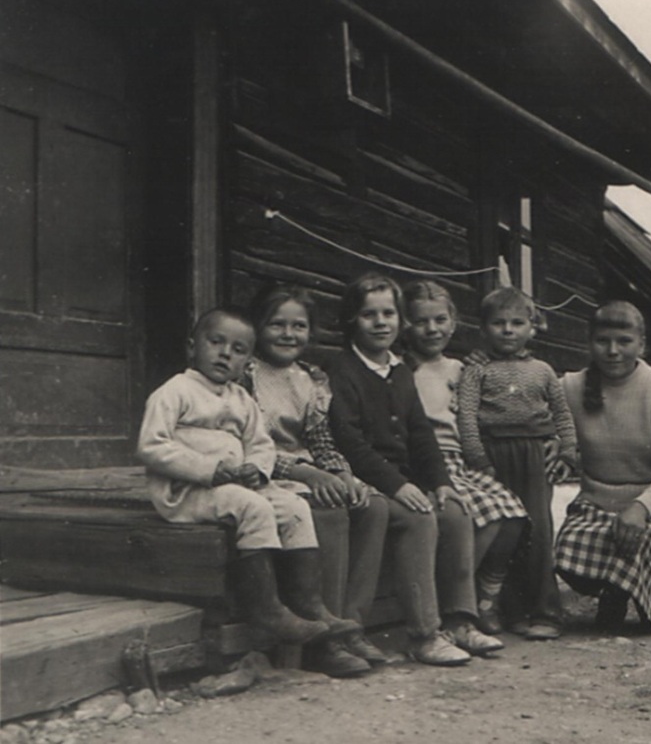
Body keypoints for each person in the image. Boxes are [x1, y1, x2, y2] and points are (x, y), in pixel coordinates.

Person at [137, 307, 359, 653]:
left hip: (233, 486)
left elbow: (261, 445)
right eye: (216, 342)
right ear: (191, 346)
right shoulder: (175, 391)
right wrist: (208, 470)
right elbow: (151, 446)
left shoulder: (242, 400)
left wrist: (256, 468)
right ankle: (267, 609)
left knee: (294, 507)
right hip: (187, 491)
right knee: (253, 508)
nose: (226, 353)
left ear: (247, 362)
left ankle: (310, 604)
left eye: (239, 350)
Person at [328, 272, 503, 665]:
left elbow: (421, 434)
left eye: (389, 313)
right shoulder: (343, 371)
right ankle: (423, 635)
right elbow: (350, 442)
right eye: (369, 314)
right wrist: (397, 485)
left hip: (401, 478)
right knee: (419, 516)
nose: (380, 322)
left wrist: (440, 482)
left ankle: (459, 619)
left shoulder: (399, 369)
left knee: (455, 511)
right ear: (351, 320)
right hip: (365, 480)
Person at [245, 283, 387, 677]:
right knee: (329, 509)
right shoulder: (247, 375)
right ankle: (323, 640)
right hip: (268, 471)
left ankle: (351, 624)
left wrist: (341, 472)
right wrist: (303, 472)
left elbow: (321, 440)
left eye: (299, 326)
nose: (289, 334)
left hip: (311, 469)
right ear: (258, 326)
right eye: (277, 324)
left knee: (371, 505)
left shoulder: (311, 378)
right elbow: (247, 445)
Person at [554, 301, 651, 633]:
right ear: (589, 343)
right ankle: (616, 590)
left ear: (641, 344)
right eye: (602, 341)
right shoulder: (569, 387)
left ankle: (633, 592)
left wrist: (641, 508)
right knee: (567, 550)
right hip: (598, 502)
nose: (612, 351)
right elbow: (536, 406)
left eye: (624, 342)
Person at [401, 279, 529, 635]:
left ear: (453, 323)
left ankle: (487, 589)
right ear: (405, 324)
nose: (432, 329)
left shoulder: (461, 369)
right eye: (421, 321)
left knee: (513, 512)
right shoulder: (401, 370)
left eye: (440, 320)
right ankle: (458, 599)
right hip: (426, 463)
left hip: (461, 460)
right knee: (485, 517)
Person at [458, 286, 577, 640]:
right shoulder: (476, 371)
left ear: (532, 327)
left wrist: (568, 450)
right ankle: (511, 612)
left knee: (538, 532)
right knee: (506, 534)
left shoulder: (542, 370)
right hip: (494, 457)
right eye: (498, 323)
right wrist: (479, 459)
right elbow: (467, 417)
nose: (508, 330)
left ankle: (546, 612)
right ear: (484, 329)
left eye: (516, 323)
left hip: (533, 456)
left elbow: (562, 414)